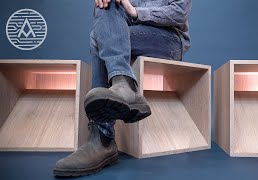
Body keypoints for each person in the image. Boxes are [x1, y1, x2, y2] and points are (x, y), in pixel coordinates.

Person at [54, 0, 191, 177]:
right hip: (125, 31)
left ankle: (102, 138)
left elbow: (179, 12)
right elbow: (111, 17)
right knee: (106, 5)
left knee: (99, 38)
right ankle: (124, 84)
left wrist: (135, 12)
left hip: (169, 39)